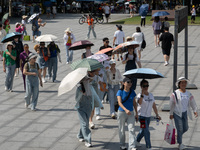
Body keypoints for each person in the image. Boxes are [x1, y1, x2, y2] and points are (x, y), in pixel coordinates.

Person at [75, 69, 103, 148]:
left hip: (89, 106)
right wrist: (81, 94)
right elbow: (76, 99)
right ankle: (88, 140)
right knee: (84, 123)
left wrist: (100, 105)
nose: (88, 80)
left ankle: (80, 135)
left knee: (86, 122)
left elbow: (95, 96)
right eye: (86, 79)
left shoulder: (90, 87)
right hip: (81, 107)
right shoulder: (79, 89)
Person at [169, 77, 198, 150]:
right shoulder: (175, 94)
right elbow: (171, 104)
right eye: (182, 83)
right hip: (177, 113)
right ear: (179, 84)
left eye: (185, 83)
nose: (183, 84)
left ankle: (178, 135)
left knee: (185, 128)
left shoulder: (188, 93)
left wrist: (195, 110)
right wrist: (171, 113)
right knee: (180, 128)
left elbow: (192, 102)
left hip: (185, 113)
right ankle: (180, 143)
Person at [136, 79, 161, 150]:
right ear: (141, 87)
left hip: (148, 116)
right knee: (147, 131)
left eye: (147, 86)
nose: (146, 87)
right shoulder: (139, 95)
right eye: (144, 86)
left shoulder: (151, 95)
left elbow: (154, 105)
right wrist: (142, 95)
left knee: (143, 130)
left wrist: (157, 114)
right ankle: (148, 146)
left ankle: (137, 140)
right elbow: (139, 103)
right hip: (142, 116)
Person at [117, 77, 138, 150]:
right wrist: (125, 110)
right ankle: (122, 144)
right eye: (128, 82)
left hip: (131, 113)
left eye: (131, 82)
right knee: (122, 129)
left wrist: (137, 113)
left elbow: (134, 103)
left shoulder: (132, 91)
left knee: (131, 129)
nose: (130, 83)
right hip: (122, 112)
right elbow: (119, 103)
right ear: (123, 83)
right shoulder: (120, 91)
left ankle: (132, 146)